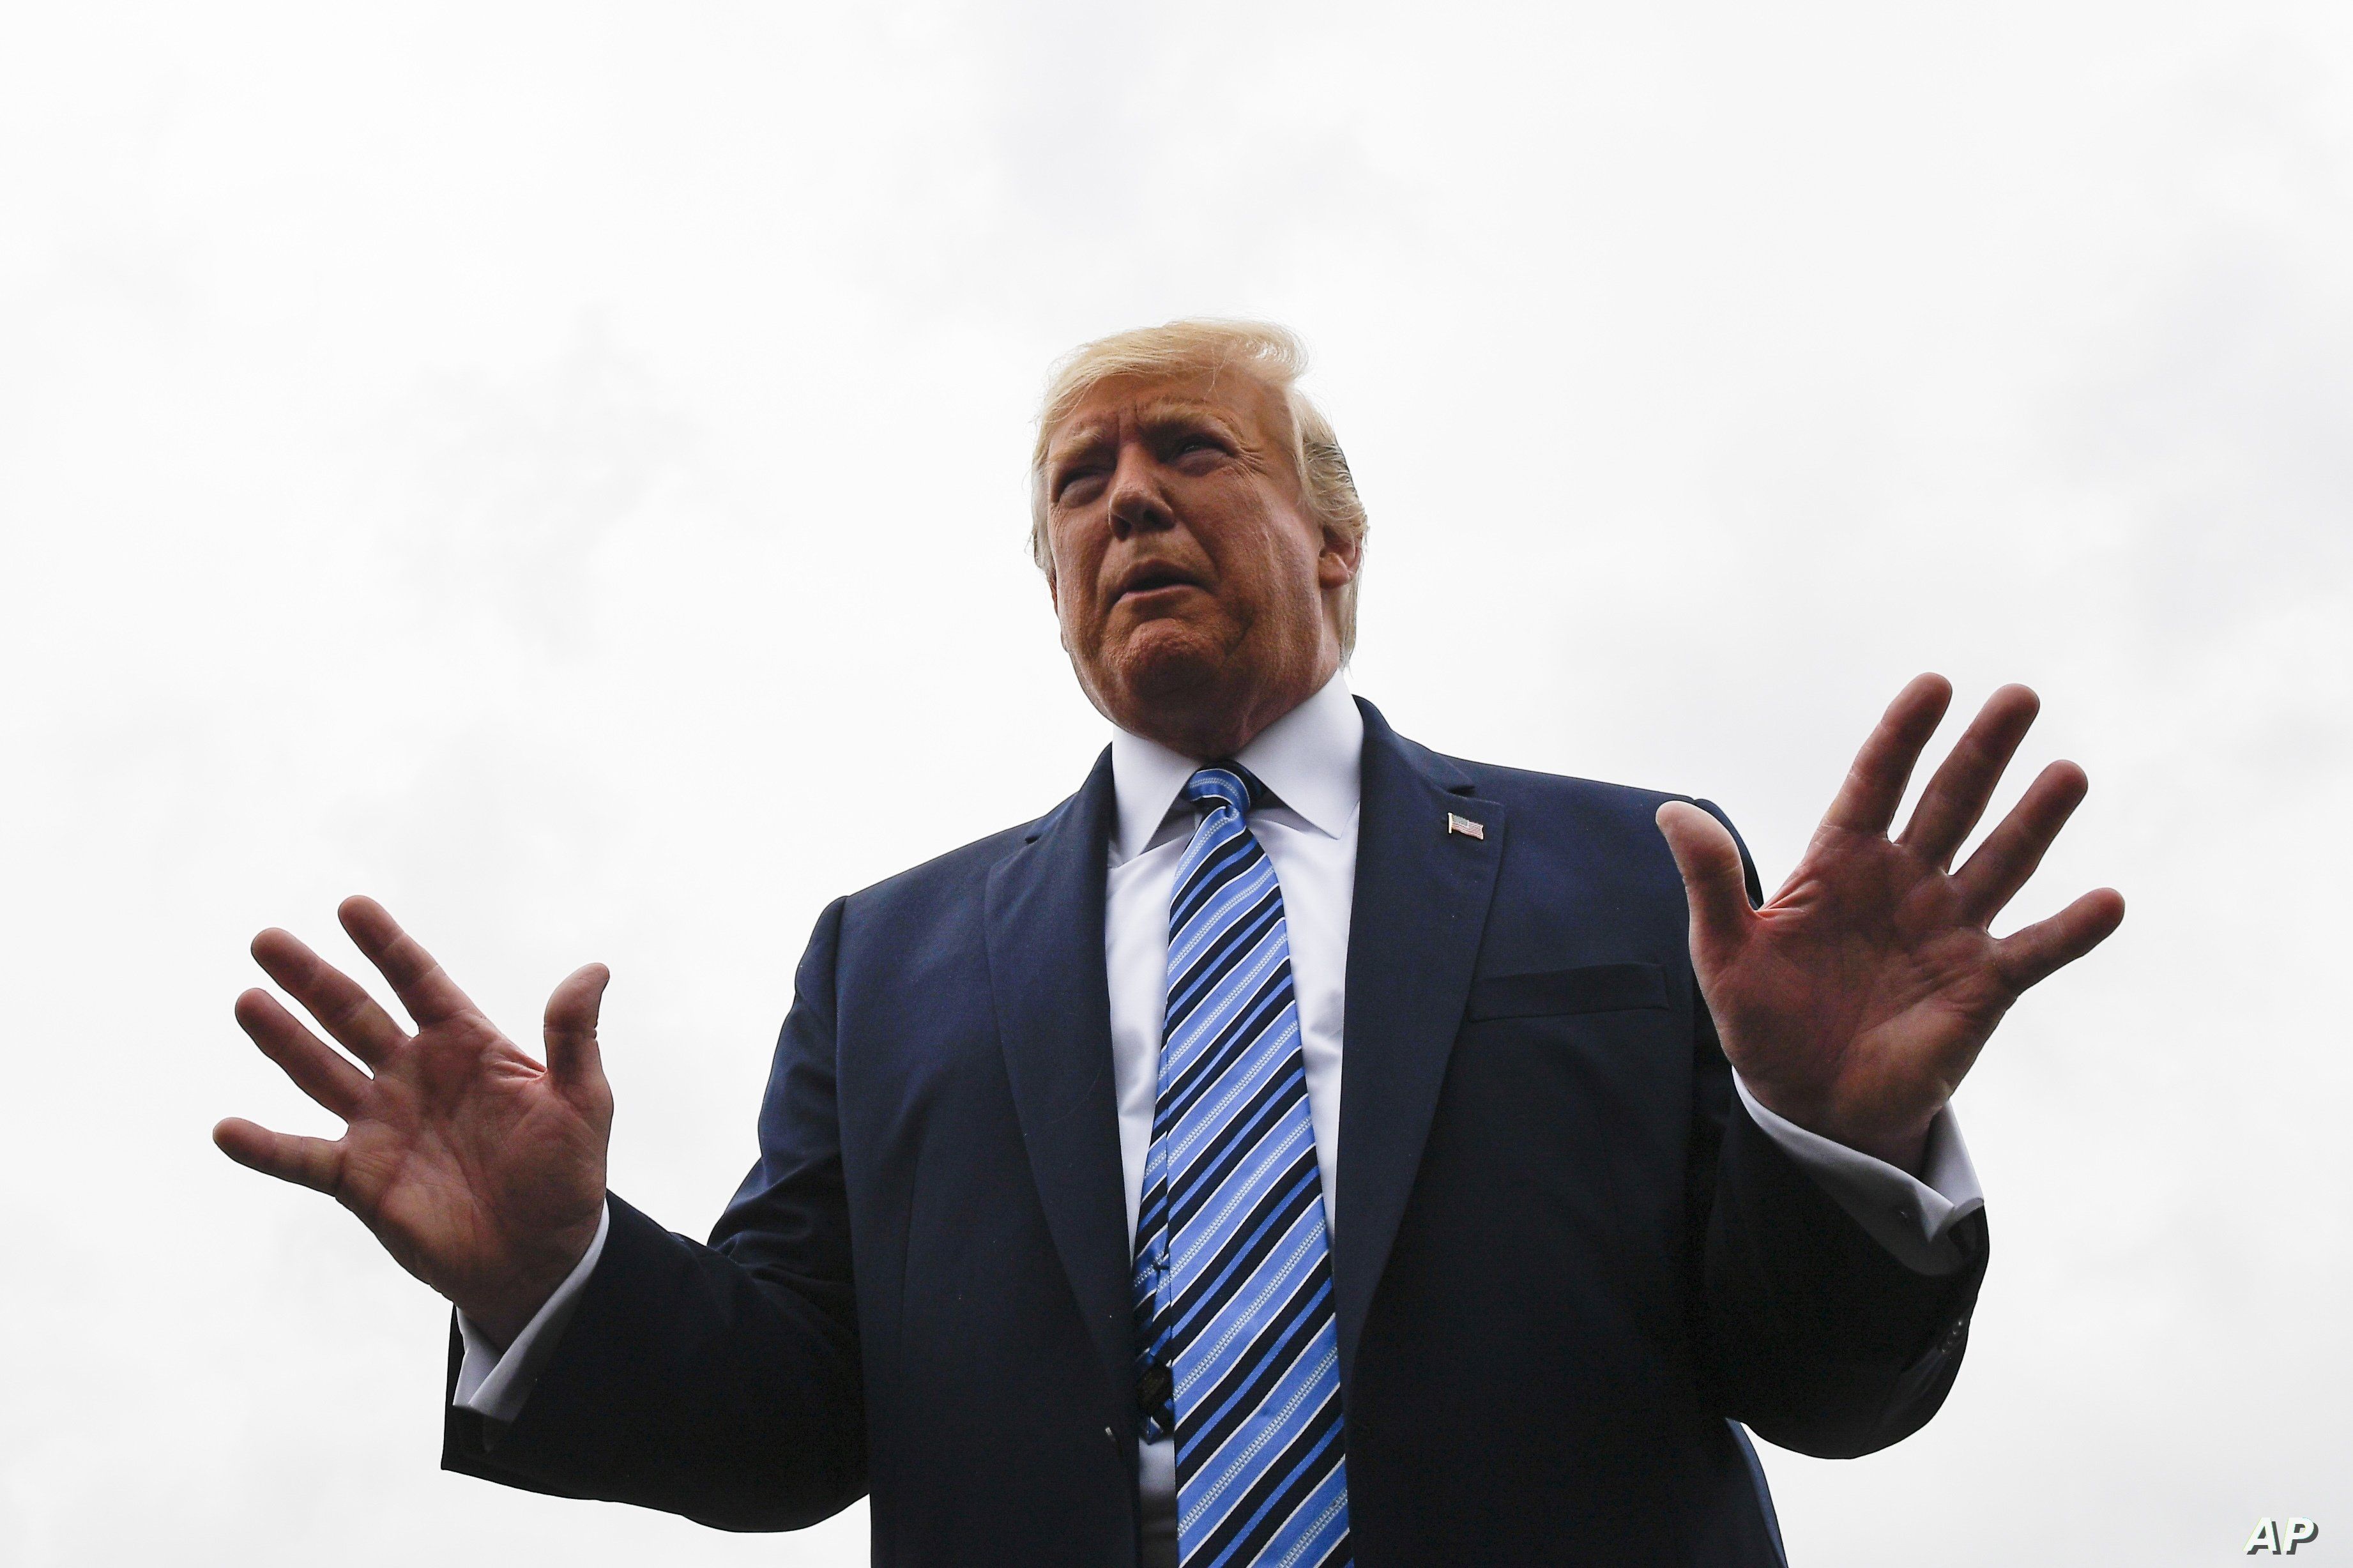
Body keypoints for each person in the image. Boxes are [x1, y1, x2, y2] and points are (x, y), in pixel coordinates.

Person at [215, 321, 2124, 1567]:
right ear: (1050, 589)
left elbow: (1824, 1384)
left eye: (1189, 452)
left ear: (1335, 546)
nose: (1126, 497)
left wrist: (1833, 1149)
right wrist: (564, 1278)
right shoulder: (887, 963)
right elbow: (793, 1425)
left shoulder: (1638, 875)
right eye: (1076, 482)